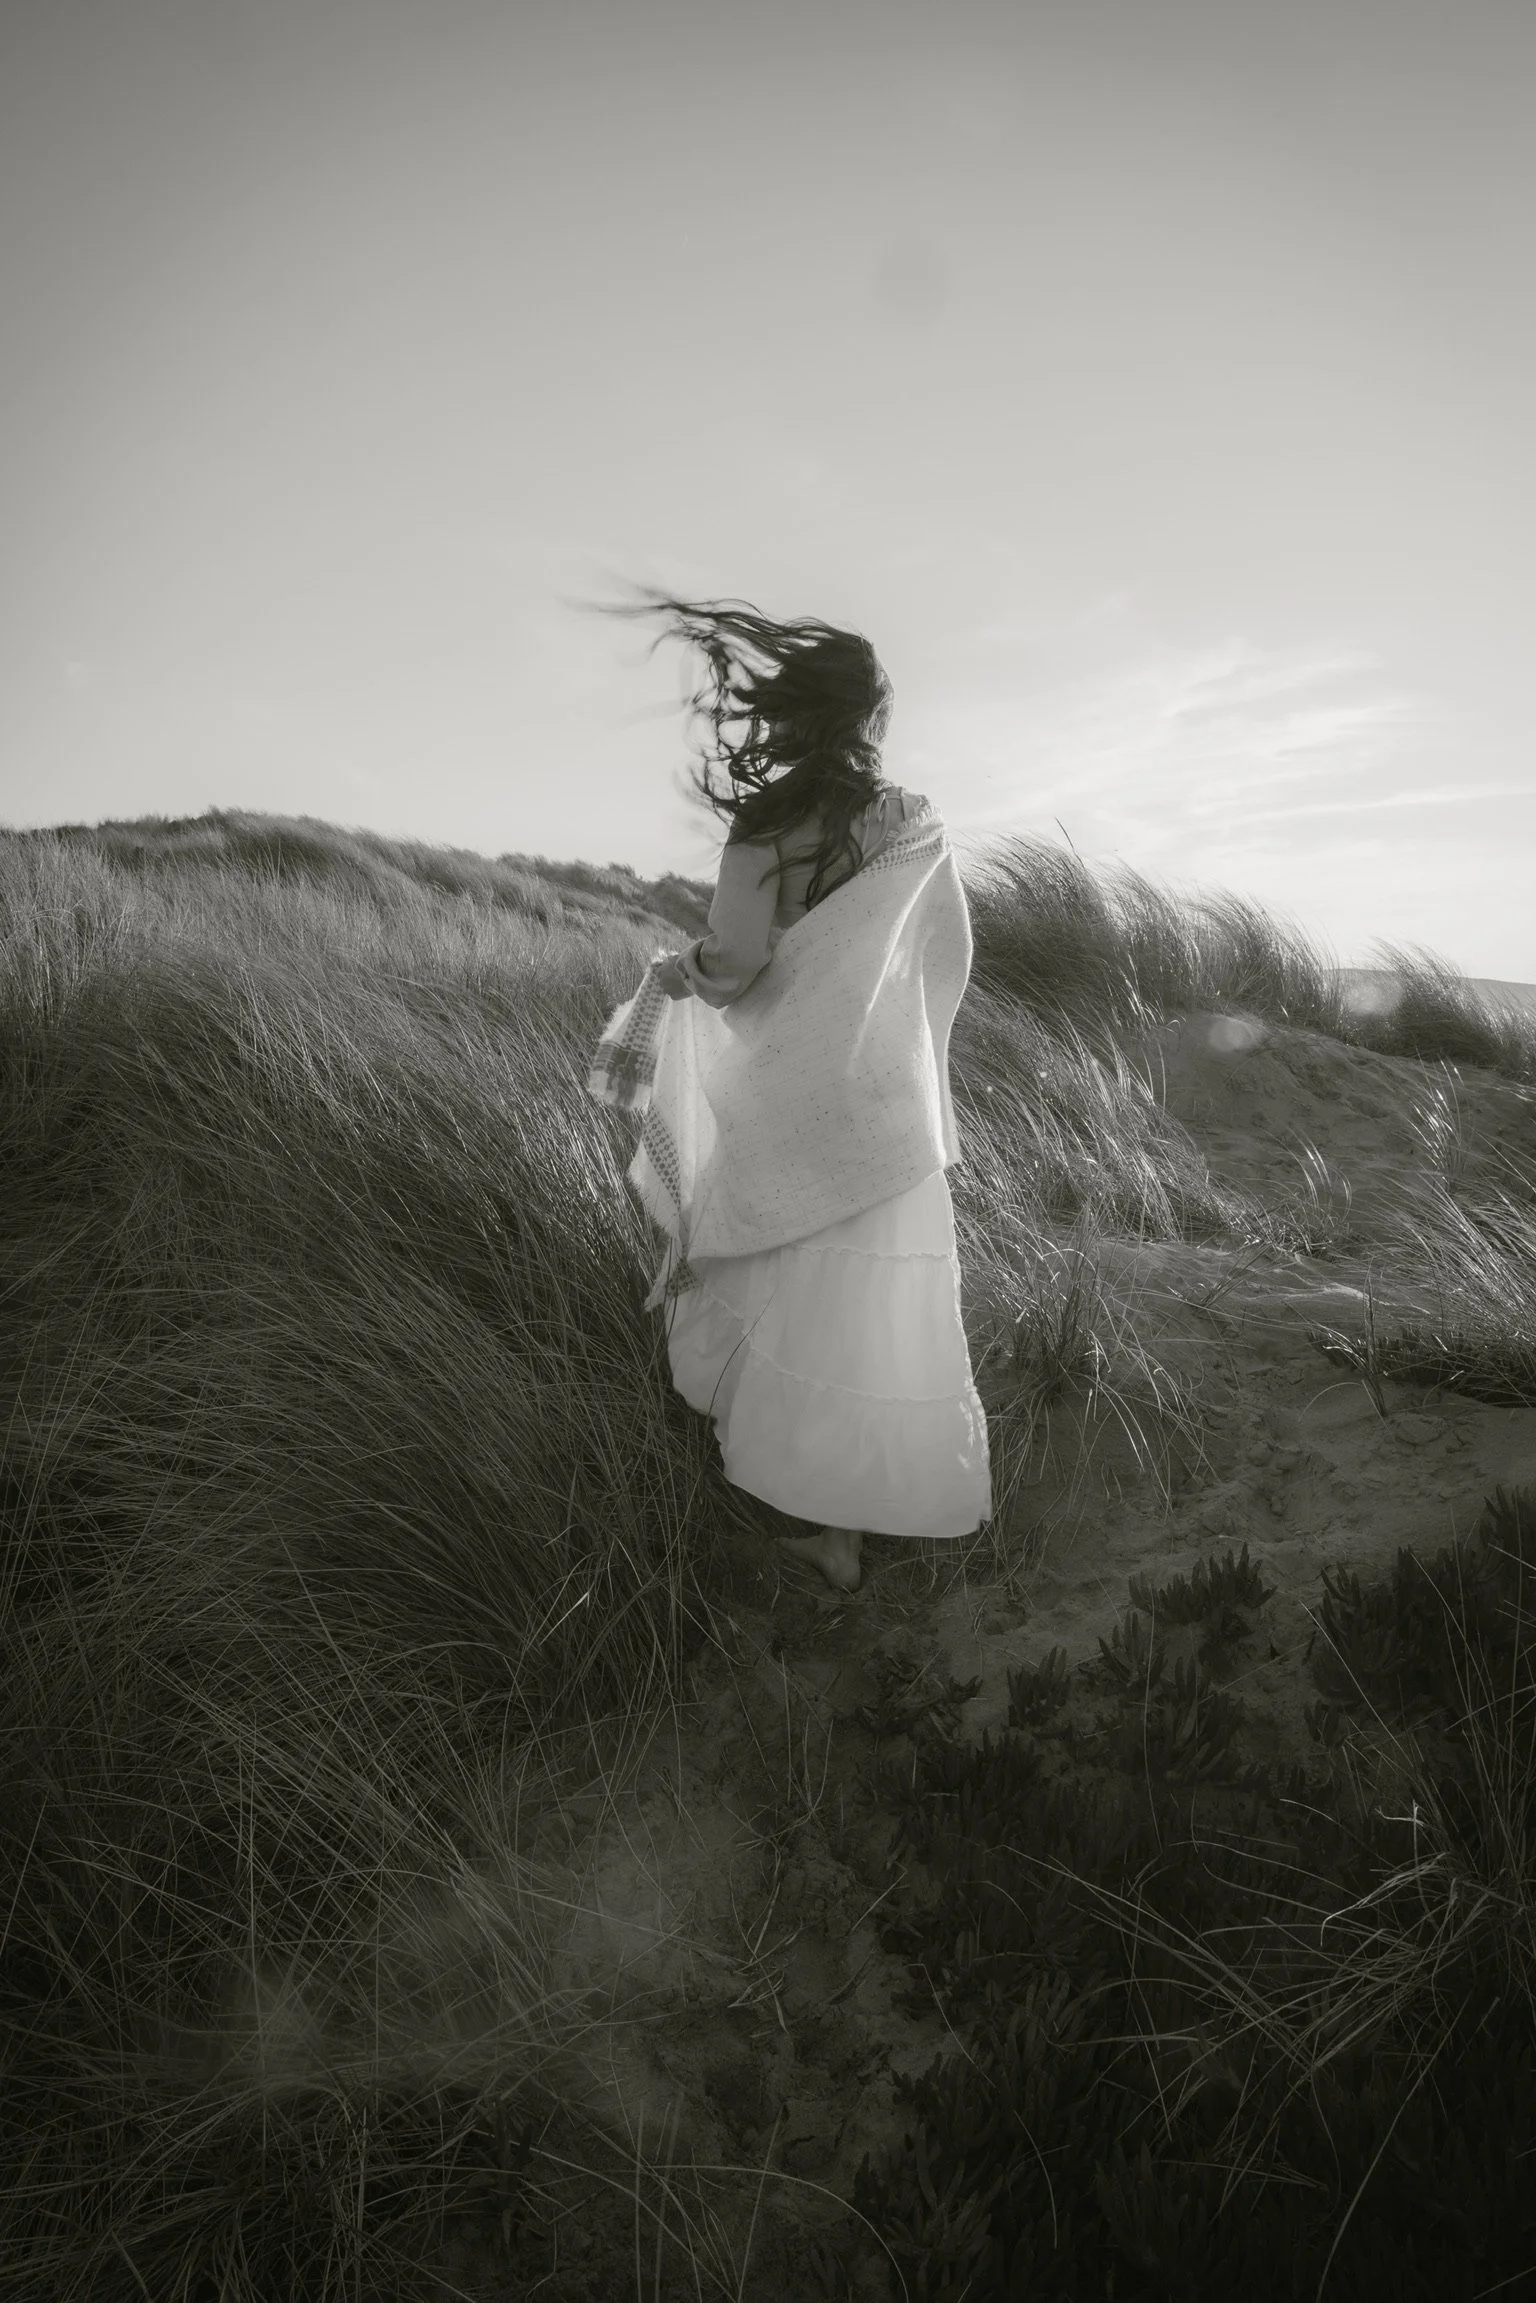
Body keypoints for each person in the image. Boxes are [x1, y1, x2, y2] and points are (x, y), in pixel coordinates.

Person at [584, 588, 992, 1592]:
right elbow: (940, 954)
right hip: (889, 1108)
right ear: (872, 720)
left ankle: (824, 1530)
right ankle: (861, 1519)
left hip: (793, 1103)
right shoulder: (916, 823)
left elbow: (739, 964)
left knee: (798, 1305)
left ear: (790, 717)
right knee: (869, 1318)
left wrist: (686, 970)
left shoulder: (769, 825)